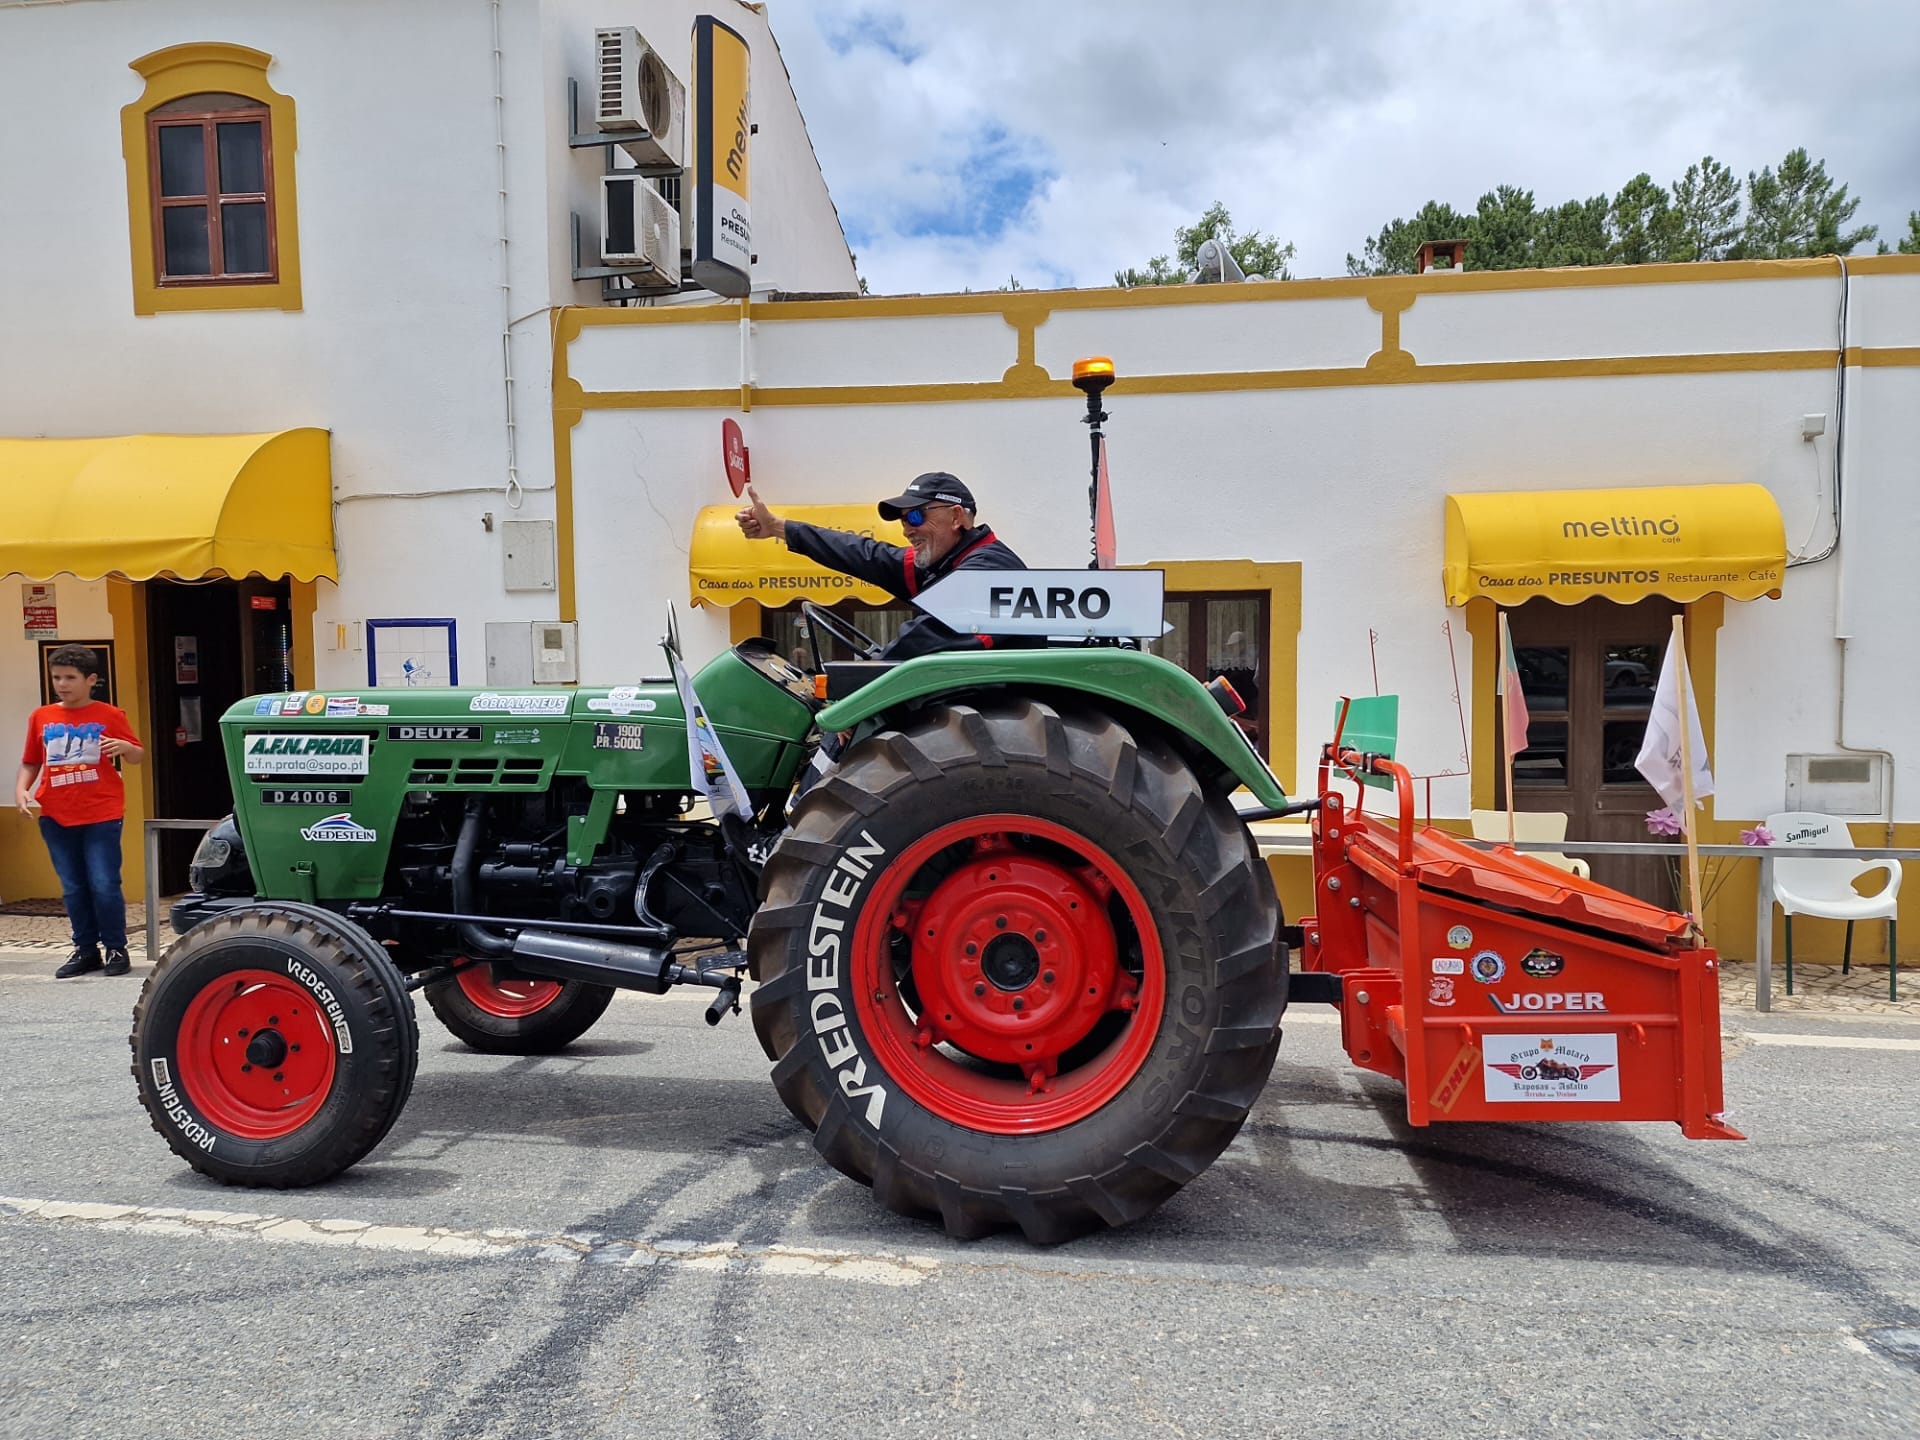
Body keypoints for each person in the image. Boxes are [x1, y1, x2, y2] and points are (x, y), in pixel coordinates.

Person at [735, 471, 1027, 661]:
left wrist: (862, 686)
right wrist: (779, 528)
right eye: (903, 520)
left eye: (916, 517)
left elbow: (923, 638)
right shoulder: (944, 564)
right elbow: (863, 554)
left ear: (956, 517)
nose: (907, 530)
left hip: (996, 706)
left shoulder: (989, 571)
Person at [15, 644, 144, 978]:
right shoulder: (41, 716)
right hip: (56, 813)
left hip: (101, 812)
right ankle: (85, 950)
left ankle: (116, 948)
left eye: (70, 677)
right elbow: (31, 760)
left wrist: (126, 747)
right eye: (57, 677)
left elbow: (137, 755)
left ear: (91, 680)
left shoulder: (110, 715)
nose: (62, 684)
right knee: (73, 887)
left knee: (104, 883)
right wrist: (22, 790)